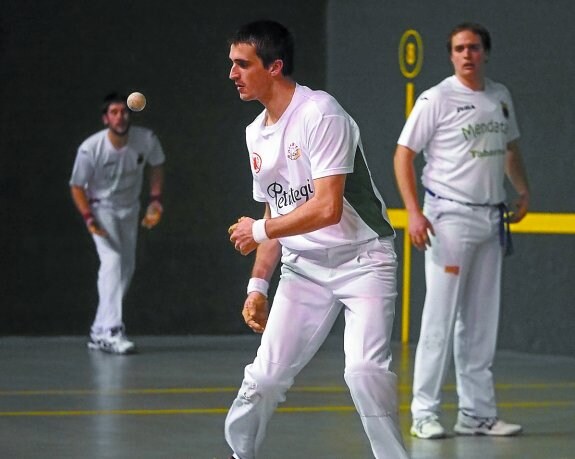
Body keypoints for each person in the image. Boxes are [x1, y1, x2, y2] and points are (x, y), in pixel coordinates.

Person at [224, 20, 409, 459]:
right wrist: (257, 285)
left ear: (275, 67)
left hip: (364, 261)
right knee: (264, 379)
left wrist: (260, 230)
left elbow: (326, 207)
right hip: (303, 270)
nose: (232, 73)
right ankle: (239, 454)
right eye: (231, 64)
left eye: (242, 64)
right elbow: (276, 209)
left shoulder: (320, 113)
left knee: (365, 372)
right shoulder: (255, 133)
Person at [393, 22, 530, 439]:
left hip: (491, 219)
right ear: (451, 55)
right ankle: (423, 413)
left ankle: (477, 414)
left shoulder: (499, 96)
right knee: (439, 319)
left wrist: (522, 189)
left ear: (485, 52)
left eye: (473, 47)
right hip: (447, 220)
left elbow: (508, 149)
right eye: (458, 48)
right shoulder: (436, 98)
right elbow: (403, 156)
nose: (466, 54)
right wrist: (414, 213)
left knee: (481, 322)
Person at [70, 92, 165, 355]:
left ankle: (99, 330)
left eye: (124, 111)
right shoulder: (91, 148)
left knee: (126, 266)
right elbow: (77, 186)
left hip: (130, 209)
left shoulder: (146, 140)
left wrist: (155, 201)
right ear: (105, 118)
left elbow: (157, 165)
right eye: (114, 112)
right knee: (111, 261)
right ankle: (112, 330)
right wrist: (89, 219)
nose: (120, 116)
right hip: (101, 210)